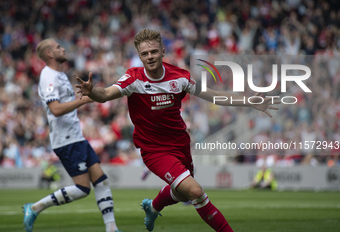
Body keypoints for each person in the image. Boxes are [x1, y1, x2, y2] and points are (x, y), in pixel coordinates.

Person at [75, 29, 279, 231]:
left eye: (153, 52)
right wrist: (92, 91)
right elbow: (106, 94)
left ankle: (153, 207)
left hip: (180, 144)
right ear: (139, 56)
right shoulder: (134, 79)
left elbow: (214, 95)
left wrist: (250, 101)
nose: (150, 57)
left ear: (163, 51)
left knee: (182, 193)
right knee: (195, 191)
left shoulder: (180, 77)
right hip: (154, 150)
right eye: (144, 54)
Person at [22, 39, 122, 232]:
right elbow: (56, 109)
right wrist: (83, 100)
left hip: (76, 137)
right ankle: (35, 207)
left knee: (101, 181)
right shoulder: (48, 76)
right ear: (50, 54)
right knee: (82, 189)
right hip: (66, 140)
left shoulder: (59, 74)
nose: (63, 48)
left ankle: (112, 228)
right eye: (59, 47)